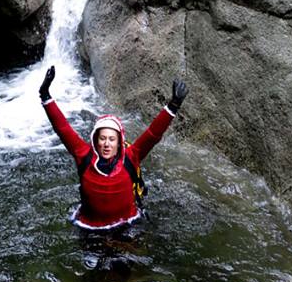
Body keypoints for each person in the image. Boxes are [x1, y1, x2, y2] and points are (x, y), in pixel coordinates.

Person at [39, 64, 189, 229]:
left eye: (111, 139)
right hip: (90, 229)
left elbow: (153, 135)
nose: (106, 144)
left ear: (119, 143)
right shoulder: (83, 155)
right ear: (96, 140)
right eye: (102, 139)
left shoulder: (132, 156)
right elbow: (63, 129)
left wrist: (174, 105)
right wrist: (45, 96)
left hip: (127, 226)